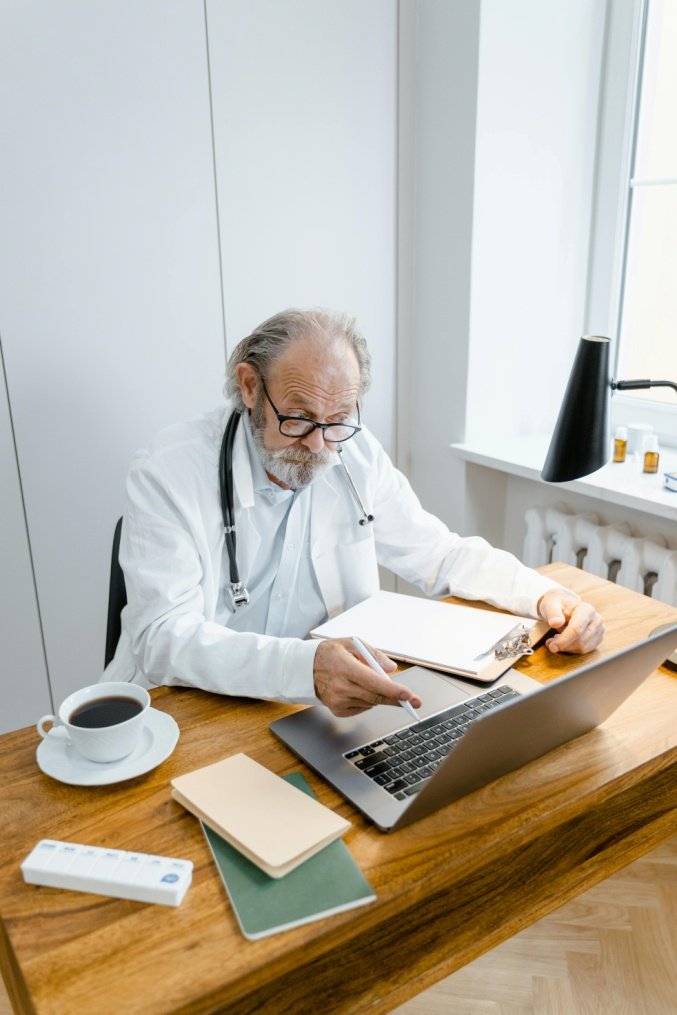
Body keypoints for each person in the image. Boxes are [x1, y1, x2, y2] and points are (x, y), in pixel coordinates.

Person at [104, 308, 604, 716]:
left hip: (317, 709)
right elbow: (163, 637)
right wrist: (304, 669)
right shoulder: (168, 472)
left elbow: (439, 554)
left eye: (339, 419)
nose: (320, 444)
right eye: (299, 418)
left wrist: (546, 596)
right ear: (250, 387)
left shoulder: (354, 454)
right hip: (190, 709)